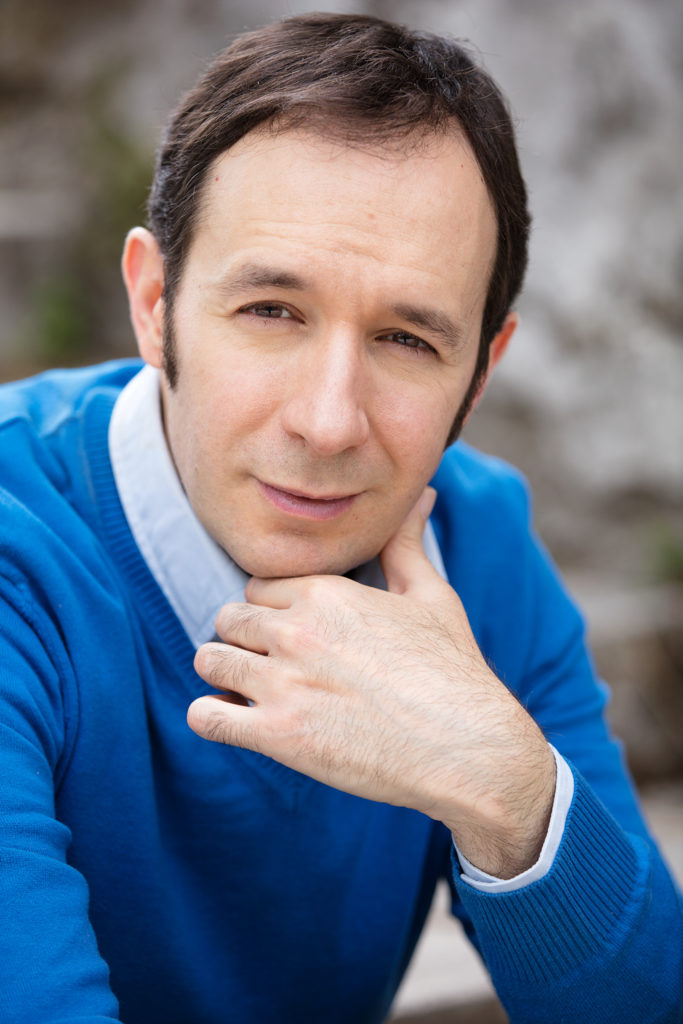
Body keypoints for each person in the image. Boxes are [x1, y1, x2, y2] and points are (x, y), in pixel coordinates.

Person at [0, 12, 680, 1024]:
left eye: (406, 339)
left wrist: (507, 791)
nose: (327, 423)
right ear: (153, 303)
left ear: (480, 372)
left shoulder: (479, 547)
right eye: (270, 311)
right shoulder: (20, 560)